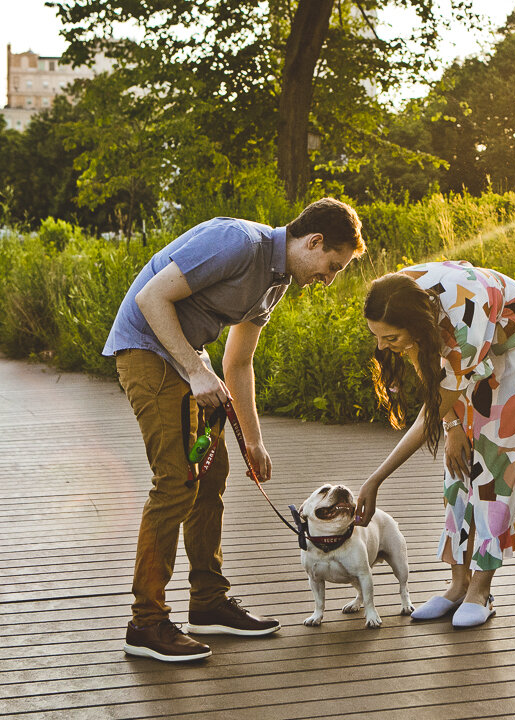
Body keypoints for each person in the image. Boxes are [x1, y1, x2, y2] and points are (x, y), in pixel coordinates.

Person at [104, 198, 364, 662]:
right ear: (314, 241)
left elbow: (239, 362)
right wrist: (194, 370)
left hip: (188, 361)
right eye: (331, 266)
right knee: (175, 483)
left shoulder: (276, 282)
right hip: (147, 351)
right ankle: (146, 623)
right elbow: (150, 298)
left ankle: (207, 603)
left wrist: (254, 439)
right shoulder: (238, 242)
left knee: (212, 477)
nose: (327, 279)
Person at [355, 260, 515, 628]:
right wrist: (454, 425)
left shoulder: (463, 333)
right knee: (459, 460)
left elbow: (426, 417)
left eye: (389, 338)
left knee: (496, 457)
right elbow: (423, 361)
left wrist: (375, 479)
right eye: (376, 336)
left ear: (415, 325)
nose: (381, 346)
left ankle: (481, 590)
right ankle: (457, 586)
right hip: (466, 336)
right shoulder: (397, 295)